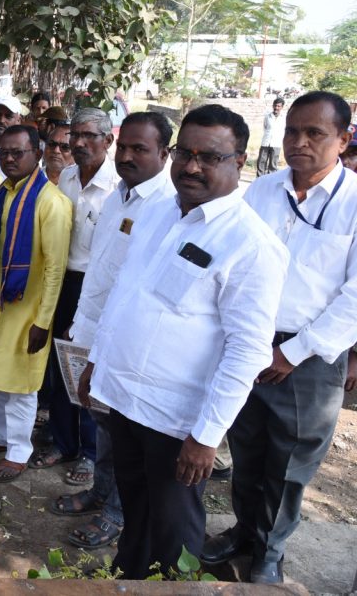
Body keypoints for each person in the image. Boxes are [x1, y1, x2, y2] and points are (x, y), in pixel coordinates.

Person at [81, 104, 289, 579]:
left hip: (177, 422)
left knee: (175, 535)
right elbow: (126, 294)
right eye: (185, 154)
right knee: (135, 512)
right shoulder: (158, 212)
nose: (192, 167)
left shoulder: (251, 244)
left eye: (210, 157)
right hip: (124, 400)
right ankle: (128, 579)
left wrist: (207, 436)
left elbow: (247, 351)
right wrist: (96, 362)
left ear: (240, 162)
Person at [203, 91, 357, 584]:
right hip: (249, 341)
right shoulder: (262, 191)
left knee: (290, 462)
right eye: (292, 131)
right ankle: (244, 531)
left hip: (309, 358)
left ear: (343, 140)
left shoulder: (353, 202)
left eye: (315, 133)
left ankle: (270, 552)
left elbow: (354, 298)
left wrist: (291, 352)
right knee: (246, 446)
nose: (299, 142)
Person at [49, 112, 176, 550]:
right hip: (94, 325)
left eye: (140, 149)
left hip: (129, 340)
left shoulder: (168, 205)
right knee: (101, 419)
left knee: (125, 431)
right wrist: (82, 322)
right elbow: (101, 267)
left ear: (164, 154)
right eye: (124, 147)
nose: (127, 156)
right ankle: (101, 491)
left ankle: (118, 514)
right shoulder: (119, 195)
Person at [0, 125, 72, 483]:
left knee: (21, 384)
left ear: (37, 154)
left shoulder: (51, 202)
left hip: (27, 309)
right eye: (4, 152)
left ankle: (18, 450)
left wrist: (43, 321)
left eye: (18, 153)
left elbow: (55, 268)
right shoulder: (4, 193)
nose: (9, 158)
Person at [32, 108, 119, 485]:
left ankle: (91, 452)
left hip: (97, 287)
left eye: (89, 137)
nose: (79, 143)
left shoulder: (117, 187)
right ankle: (63, 441)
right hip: (61, 282)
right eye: (75, 137)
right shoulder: (66, 176)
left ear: (108, 141)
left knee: (90, 364)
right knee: (60, 363)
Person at [256, 97, 286, 176]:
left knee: (273, 164)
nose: (276, 108)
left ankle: (270, 180)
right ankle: (259, 179)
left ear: (282, 107)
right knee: (261, 162)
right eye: (275, 105)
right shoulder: (267, 116)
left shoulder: (284, 118)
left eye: (278, 106)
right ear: (273, 106)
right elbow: (265, 127)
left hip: (276, 143)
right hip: (265, 142)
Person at [41, 112, 74, 185]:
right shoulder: (31, 179)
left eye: (65, 147)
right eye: (52, 144)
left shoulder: (81, 184)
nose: (56, 150)